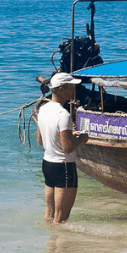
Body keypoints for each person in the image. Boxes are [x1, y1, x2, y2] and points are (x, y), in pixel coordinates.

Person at [36, 72, 89, 224]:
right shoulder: (63, 114)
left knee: (50, 215)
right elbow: (67, 148)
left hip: (47, 164)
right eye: (71, 86)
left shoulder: (43, 109)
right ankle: (61, 247)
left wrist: (68, 135)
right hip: (64, 167)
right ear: (61, 89)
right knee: (61, 219)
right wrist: (80, 138)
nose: (73, 89)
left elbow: (40, 139)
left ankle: (49, 246)